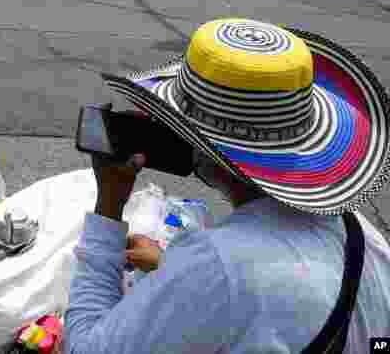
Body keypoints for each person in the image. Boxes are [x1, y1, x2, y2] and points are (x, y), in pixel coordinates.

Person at [65, 18, 390, 353]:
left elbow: (84, 347)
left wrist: (109, 205)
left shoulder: (217, 265)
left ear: (201, 147)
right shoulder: (362, 234)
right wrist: (169, 268)